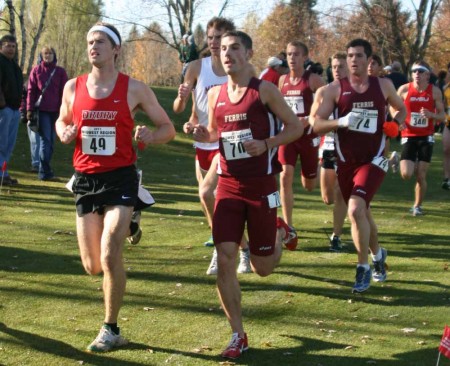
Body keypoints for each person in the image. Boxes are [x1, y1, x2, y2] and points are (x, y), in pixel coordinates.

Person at [55, 22, 175, 352]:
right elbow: (62, 119)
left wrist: (151, 135)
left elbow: (168, 127)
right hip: (86, 180)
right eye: (90, 42)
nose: (93, 47)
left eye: (101, 42)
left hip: (121, 177)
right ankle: (134, 221)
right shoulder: (72, 87)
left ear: (116, 49)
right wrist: (63, 130)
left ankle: (110, 328)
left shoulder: (134, 88)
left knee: (110, 254)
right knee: (92, 265)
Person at [194, 30, 303, 359]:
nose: (227, 54)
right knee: (226, 259)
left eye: (235, 48)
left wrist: (267, 144)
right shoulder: (215, 95)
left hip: (261, 187)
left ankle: (279, 233)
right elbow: (216, 133)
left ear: (249, 53)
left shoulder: (265, 91)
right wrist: (204, 132)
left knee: (263, 268)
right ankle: (237, 334)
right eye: (223, 49)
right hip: (228, 186)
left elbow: (295, 127)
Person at [310, 38, 406, 293]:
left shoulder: (383, 85)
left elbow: (401, 109)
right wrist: (341, 122)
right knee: (363, 213)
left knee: (354, 209)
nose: (353, 60)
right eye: (350, 55)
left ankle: (362, 267)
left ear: (369, 60)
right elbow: (317, 125)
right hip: (345, 161)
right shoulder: (334, 89)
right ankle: (378, 256)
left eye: (358, 56)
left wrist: (396, 125)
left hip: (375, 159)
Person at [173, 17, 251, 275]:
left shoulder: (241, 70)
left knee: (208, 194)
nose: (215, 43)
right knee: (212, 203)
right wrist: (187, 118)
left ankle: (223, 251)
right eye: (211, 38)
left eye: (220, 38)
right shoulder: (196, 67)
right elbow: (187, 112)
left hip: (227, 144)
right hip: (202, 144)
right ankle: (243, 247)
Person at [278, 41, 325, 242]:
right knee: (285, 176)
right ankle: (289, 226)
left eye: (296, 54)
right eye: (289, 54)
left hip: (308, 137)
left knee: (309, 185)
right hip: (288, 135)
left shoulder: (314, 80)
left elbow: (329, 102)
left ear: (305, 57)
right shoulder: (281, 81)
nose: (291, 58)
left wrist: (311, 118)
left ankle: (321, 167)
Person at [397, 61, 445, 215]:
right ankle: (397, 158)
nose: (416, 74)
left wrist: (431, 115)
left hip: (426, 136)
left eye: (420, 71)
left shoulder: (435, 91)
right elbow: (392, 106)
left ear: (427, 74)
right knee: (406, 174)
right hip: (409, 135)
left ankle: (417, 206)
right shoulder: (404, 89)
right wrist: (397, 121)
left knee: (421, 175)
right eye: (414, 71)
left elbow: (443, 116)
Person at [315, 52, 348, 251]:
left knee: (340, 192)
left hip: (347, 147)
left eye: (341, 66)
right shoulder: (323, 91)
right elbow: (314, 119)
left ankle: (336, 235)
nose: (337, 70)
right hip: (327, 145)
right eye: (334, 67)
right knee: (328, 197)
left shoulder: (357, 91)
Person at [27, 46, 68, 180]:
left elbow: (65, 92)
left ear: (54, 55)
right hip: (42, 111)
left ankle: (44, 169)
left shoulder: (60, 72)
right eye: (45, 53)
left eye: (50, 53)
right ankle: (44, 172)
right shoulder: (36, 70)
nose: (48, 55)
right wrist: (29, 109)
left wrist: (66, 110)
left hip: (56, 111)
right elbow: (31, 91)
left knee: (51, 142)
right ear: (41, 55)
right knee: (46, 140)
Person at [0, 34, 23, 185]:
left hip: (14, 109)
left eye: (13, 46)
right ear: (1, 47)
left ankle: (4, 173)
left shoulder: (13, 64)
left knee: (9, 145)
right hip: (4, 109)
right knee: (1, 143)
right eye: (8, 46)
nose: (11, 49)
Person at [443, 62, 450, 190]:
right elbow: (444, 106)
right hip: (448, 123)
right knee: (446, 150)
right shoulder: (446, 88)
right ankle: (446, 178)